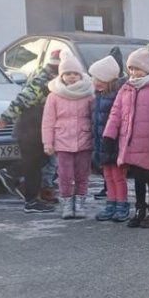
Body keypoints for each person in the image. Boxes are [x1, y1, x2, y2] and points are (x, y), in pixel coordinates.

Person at [102, 47, 149, 228]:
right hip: (130, 142)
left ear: (146, 69)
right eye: (130, 68)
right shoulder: (126, 88)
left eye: (137, 68)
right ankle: (140, 209)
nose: (133, 72)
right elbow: (115, 113)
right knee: (138, 178)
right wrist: (109, 135)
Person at [0, 49, 61, 214]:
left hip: (37, 130)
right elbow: (22, 100)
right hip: (30, 130)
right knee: (33, 165)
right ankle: (30, 199)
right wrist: (5, 117)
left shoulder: (53, 80)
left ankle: (16, 178)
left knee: (42, 161)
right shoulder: (42, 81)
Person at [41, 52, 94, 220]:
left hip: (84, 140)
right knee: (64, 175)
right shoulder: (54, 96)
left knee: (82, 174)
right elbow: (48, 121)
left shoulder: (88, 94)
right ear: (61, 75)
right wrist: (47, 143)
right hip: (63, 141)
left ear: (81, 75)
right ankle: (66, 204)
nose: (72, 77)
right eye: (68, 73)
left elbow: (95, 118)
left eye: (75, 73)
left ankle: (79, 204)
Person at [88, 48, 125, 201]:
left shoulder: (116, 95)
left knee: (117, 177)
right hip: (101, 143)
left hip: (113, 144)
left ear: (106, 79)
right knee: (108, 176)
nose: (93, 81)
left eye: (96, 78)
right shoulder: (98, 96)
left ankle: (121, 203)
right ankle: (111, 201)